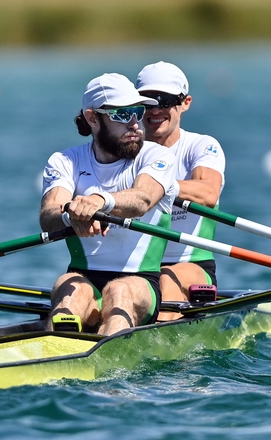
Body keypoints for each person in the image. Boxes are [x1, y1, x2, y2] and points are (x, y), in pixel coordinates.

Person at [40, 73, 178, 335]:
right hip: (83, 276)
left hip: (141, 282)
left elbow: (142, 199)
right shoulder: (65, 161)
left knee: (118, 291)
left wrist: (99, 201)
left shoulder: (157, 155)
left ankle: (108, 369)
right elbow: (49, 214)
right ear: (92, 118)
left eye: (137, 112)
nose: (135, 124)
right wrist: (71, 215)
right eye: (123, 115)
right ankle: (52, 355)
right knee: (70, 288)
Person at [135, 61, 226, 308]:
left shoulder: (200, 146)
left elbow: (208, 193)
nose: (155, 110)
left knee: (165, 281)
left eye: (164, 100)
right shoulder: (127, 148)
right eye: (147, 101)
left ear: (185, 103)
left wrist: (156, 187)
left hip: (190, 264)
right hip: (134, 265)